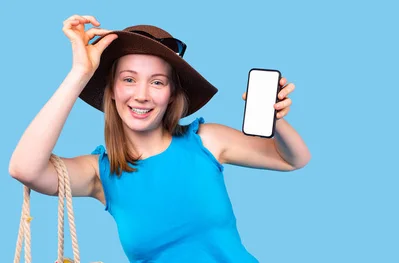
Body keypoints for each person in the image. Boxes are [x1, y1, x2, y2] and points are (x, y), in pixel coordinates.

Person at [8, 14, 311, 262]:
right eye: (128, 79)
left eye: (157, 82)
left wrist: (277, 120)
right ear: (111, 91)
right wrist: (80, 73)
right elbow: (25, 168)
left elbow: (293, 159)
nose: (141, 95)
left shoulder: (207, 141)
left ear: (171, 94)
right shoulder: (101, 173)